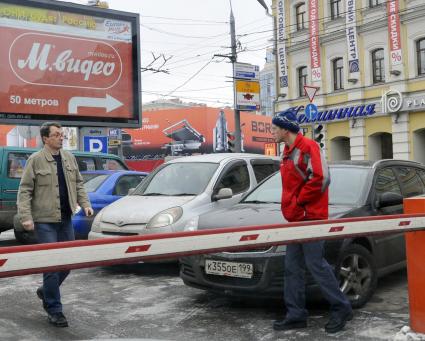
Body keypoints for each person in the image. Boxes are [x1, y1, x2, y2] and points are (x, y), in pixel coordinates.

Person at [271, 111, 353, 334]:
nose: (273, 132)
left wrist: (299, 202)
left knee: (316, 265)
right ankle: (296, 314)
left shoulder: (308, 147)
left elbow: (321, 177)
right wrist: (294, 207)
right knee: (292, 268)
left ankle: (341, 307)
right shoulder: (287, 151)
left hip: (310, 217)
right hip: (297, 218)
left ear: (285, 129)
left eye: (275, 128)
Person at [17, 122, 94, 328]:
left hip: (66, 219)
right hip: (44, 222)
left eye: (62, 134)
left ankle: (45, 291)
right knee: (51, 266)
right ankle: (55, 310)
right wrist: (26, 216)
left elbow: (78, 183)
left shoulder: (69, 158)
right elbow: (24, 191)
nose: (62, 138)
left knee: (67, 264)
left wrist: (85, 204)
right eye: (57, 135)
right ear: (45, 138)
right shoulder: (35, 160)